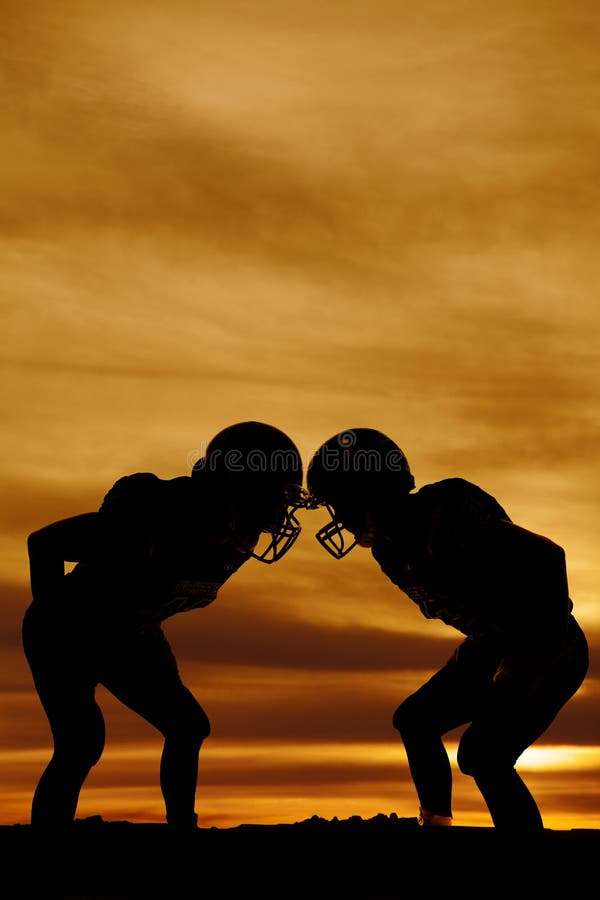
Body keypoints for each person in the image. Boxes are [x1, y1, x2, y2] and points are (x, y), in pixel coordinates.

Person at [23, 421, 305, 829]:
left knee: (188, 725)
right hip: (72, 629)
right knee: (80, 743)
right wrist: (58, 626)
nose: (280, 514)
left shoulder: (234, 540)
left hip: (132, 633)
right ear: (243, 489)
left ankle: (180, 832)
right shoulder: (159, 518)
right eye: (276, 498)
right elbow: (44, 543)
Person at [306, 427, 589, 832]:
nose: (340, 518)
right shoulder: (390, 549)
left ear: (369, 494)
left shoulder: (446, 516)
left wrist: (539, 650)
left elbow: (547, 556)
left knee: (482, 755)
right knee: (415, 720)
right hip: (494, 644)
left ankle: (529, 855)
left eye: (341, 504)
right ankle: (436, 825)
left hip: (550, 645)